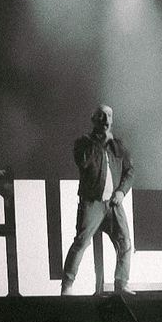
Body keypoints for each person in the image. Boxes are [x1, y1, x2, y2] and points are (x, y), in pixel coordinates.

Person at [60, 104, 133, 295]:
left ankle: (121, 284)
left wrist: (121, 192)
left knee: (125, 242)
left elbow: (129, 171)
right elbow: (83, 162)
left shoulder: (118, 145)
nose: (106, 119)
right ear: (94, 119)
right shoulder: (84, 142)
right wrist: (100, 143)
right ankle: (67, 285)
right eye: (101, 116)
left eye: (109, 115)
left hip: (113, 204)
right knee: (81, 242)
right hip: (92, 203)